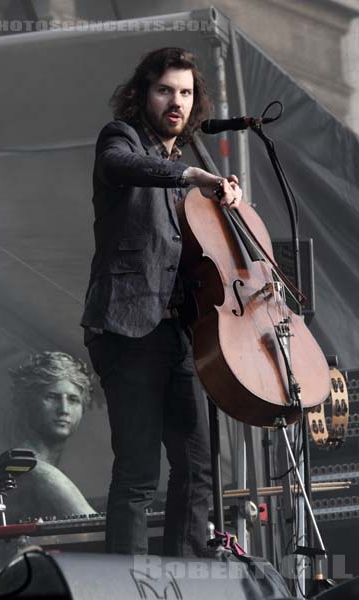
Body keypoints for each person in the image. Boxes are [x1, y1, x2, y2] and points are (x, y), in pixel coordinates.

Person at [81, 47, 242, 557]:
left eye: (187, 93)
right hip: (127, 326)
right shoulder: (122, 138)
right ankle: (127, 585)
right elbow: (121, 166)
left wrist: (226, 198)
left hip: (179, 333)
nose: (177, 102)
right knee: (137, 470)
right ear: (143, 94)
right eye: (165, 90)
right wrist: (193, 178)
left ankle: (188, 575)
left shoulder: (183, 159)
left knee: (197, 463)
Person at [0, 352, 96, 587]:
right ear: (28, 401)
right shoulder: (30, 470)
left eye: (73, 399)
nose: (63, 409)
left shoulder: (21, 463)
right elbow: (98, 535)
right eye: (52, 396)